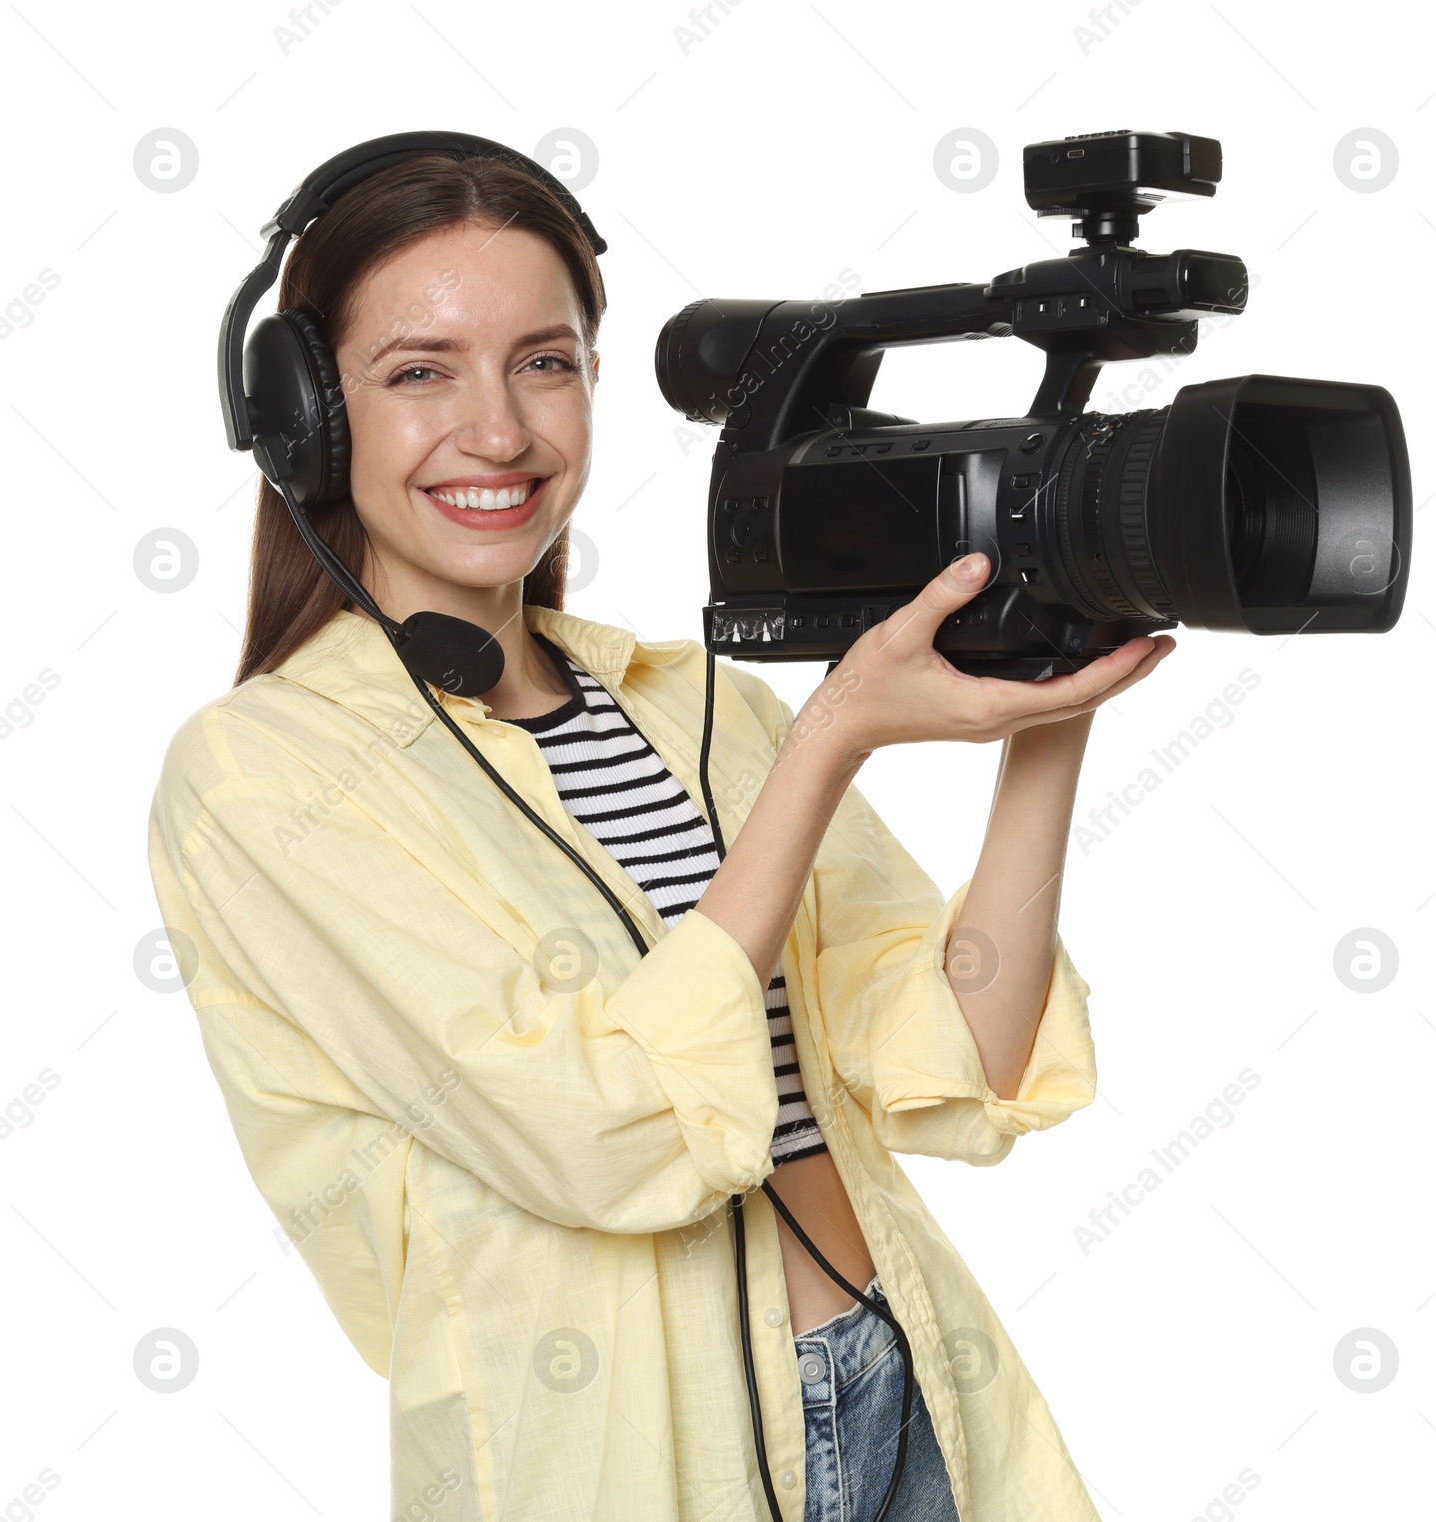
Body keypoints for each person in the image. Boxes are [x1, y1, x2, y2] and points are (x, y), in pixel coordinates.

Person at [147, 150, 1174, 1522]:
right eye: (420, 372)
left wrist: (1054, 688)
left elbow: (963, 1063)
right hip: (627, 1466)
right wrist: (832, 741)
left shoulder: (703, 709)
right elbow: (599, 1131)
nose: (500, 430)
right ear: (307, 420)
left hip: (911, 1392)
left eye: (545, 362)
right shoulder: (265, 777)